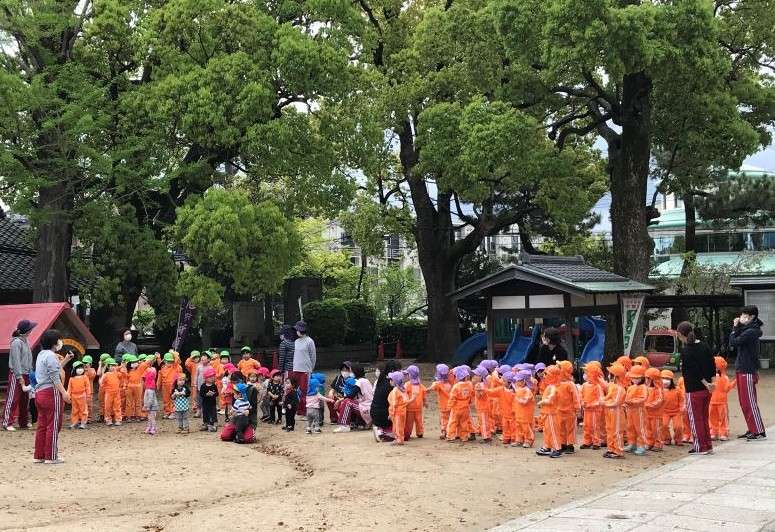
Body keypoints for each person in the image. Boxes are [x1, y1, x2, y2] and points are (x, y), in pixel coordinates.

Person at [677, 320, 716, 455]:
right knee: (704, 417)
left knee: (695, 418)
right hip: (707, 389)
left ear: (680, 334)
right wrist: (712, 383)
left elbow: (694, 370)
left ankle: (700, 446)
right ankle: (707, 444)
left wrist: (705, 382)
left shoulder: (686, 350)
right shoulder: (705, 346)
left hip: (694, 389)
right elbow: (712, 365)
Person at [33, 329, 72, 464]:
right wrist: (64, 392)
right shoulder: (51, 356)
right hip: (50, 393)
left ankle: (39, 455)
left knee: (42, 425)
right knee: (54, 425)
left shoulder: (41, 355)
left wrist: (65, 360)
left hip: (39, 393)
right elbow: (55, 377)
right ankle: (51, 456)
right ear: (55, 342)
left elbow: (51, 372)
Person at [730, 305, 766, 440]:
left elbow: (734, 342)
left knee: (749, 401)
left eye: (745, 315)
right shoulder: (747, 329)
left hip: (748, 369)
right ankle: (752, 428)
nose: (742, 317)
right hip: (742, 367)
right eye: (742, 314)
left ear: (752, 317)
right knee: (744, 401)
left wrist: (734, 327)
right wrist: (738, 327)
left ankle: (758, 431)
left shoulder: (751, 331)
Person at [4, 319, 35, 431]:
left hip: (26, 373)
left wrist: (30, 373)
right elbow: (16, 360)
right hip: (17, 374)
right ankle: (7, 422)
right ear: (27, 330)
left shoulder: (26, 341)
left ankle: (23, 422)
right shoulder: (16, 342)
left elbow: (29, 359)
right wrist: (19, 376)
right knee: (13, 398)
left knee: (24, 399)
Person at [370, 360, 402, 442]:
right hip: (383, 415)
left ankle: (380, 429)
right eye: (399, 370)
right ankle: (382, 433)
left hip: (375, 412)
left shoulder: (381, 379)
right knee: (398, 434)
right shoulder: (391, 384)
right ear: (392, 371)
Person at [536, 365, 562, 458]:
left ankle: (557, 448)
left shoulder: (554, 387)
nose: (545, 376)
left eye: (547, 374)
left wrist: (542, 402)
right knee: (547, 431)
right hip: (547, 413)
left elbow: (551, 399)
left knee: (553, 431)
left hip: (552, 413)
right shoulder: (550, 386)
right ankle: (547, 446)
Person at [602, 363, 627, 459]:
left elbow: (616, 402)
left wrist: (603, 403)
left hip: (616, 412)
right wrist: (603, 400)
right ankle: (611, 449)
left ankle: (618, 451)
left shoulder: (620, 388)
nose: (608, 375)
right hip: (609, 411)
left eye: (610, 374)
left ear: (616, 376)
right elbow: (608, 397)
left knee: (616, 432)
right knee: (609, 430)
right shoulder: (613, 386)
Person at [292, 321, 316, 417]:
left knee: (304, 390)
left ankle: (304, 410)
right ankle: (298, 409)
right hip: (296, 368)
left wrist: (311, 368)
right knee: (296, 390)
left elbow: (313, 356)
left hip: (305, 369)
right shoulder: (296, 341)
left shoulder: (310, 341)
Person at [710, 356, 736, 441]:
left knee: (722, 418)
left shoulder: (724, 377)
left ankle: (723, 433)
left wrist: (735, 382)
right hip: (712, 402)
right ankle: (714, 432)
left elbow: (727, 388)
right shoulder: (712, 377)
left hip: (721, 402)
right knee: (712, 418)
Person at [580, 362, 605, 450]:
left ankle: (596, 442)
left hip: (595, 410)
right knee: (586, 426)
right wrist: (582, 402)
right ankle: (587, 441)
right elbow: (581, 396)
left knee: (595, 426)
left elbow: (601, 399)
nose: (585, 375)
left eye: (587, 373)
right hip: (587, 410)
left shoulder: (597, 386)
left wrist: (592, 404)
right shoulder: (584, 385)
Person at [624, 365, 647, 455]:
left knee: (640, 428)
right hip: (630, 410)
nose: (634, 379)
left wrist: (631, 401)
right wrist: (625, 403)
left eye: (637, 378)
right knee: (630, 427)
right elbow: (626, 397)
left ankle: (642, 445)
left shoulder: (643, 387)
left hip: (639, 410)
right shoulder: (631, 387)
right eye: (633, 377)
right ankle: (632, 443)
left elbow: (643, 398)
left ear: (642, 378)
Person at [446, 366, 474, 443]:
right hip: (465, 408)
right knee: (464, 423)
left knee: (453, 422)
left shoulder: (456, 386)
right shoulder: (470, 385)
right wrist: (469, 402)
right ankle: (464, 436)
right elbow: (471, 395)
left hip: (456, 408)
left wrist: (449, 406)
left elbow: (452, 397)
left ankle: (450, 436)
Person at [427, 364, 452, 440]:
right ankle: (452, 431)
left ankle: (444, 432)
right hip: (451, 404)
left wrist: (425, 390)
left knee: (444, 419)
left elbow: (430, 389)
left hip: (443, 405)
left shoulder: (437, 383)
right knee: (451, 418)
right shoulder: (451, 383)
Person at [660, 370, 684, 446]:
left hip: (676, 411)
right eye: (663, 378)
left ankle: (678, 439)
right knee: (664, 425)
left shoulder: (677, 390)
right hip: (664, 412)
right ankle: (667, 439)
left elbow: (681, 400)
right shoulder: (659, 390)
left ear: (671, 380)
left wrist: (681, 407)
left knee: (678, 426)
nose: (665, 381)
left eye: (667, 379)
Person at [513, 370, 536, 448]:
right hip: (519, 412)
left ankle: (529, 440)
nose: (516, 382)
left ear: (524, 381)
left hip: (526, 414)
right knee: (518, 426)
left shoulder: (527, 390)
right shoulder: (520, 389)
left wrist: (517, 398)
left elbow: (525, 401)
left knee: (526, 427)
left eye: (518, 380)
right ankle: (519, 439)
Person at [644, 367, 665, 452]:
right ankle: (650, 443)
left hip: (656, 414)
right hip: (647, 413)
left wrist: (648, 405)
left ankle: (658, 444)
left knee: (656, 430)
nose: (646, 380)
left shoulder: (659, 389)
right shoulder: (646, 388)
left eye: (648, 378)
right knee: (648, 429)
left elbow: (659, 400)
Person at [403, 365, 426, 440]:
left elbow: (404, 394)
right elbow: (424, 393)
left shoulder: (407, 385)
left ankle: (407, 434)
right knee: (419, 420)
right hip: (419, 406)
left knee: (409, 422)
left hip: (410, 407)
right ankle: (420, 433)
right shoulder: (420, 385)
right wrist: (425, 402)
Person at [387, 371, 409, 445]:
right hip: (403, 411)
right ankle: (400, 438)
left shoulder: (395, 390)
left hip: (396, 412)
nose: (390, 381)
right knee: (401, 426)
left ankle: (398, 439)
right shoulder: (403, 389)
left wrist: (391, 414)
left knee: (397, 426)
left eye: (391, 380)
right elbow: (406, 400)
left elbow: (394, 403)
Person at [67, 361, 89, 430]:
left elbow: (87, 387)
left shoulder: (85, 377)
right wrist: (68, 396)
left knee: (83, 410)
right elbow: (69, 388)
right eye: (78, 368)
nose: (80, 369)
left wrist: (88, 396)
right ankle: (74, 422)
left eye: (81, 367)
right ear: (74, 369)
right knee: (74, 410)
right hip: (74, 396)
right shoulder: (71, 379)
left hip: (82, 396)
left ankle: (83, 422)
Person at [142, 358, 159, 435]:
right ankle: (149, 427)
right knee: (149, 418)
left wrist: (147, 406)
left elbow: (150, 399)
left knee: (152, 418)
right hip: (149, 406)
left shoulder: (150, 389)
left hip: (152, 406)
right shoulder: (147, 389)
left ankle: (153, 428)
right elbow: (145, 398)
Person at [200, 367, 219, 432]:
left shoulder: (214, 385)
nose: (212, 378)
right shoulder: (203, 386)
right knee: (205, 414)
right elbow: (201, 394)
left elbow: (217, 394)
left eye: (213, 376)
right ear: (206, 378)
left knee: (213, 414)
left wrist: (213, 394)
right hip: (205, 404)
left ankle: (213, 425)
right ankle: (205, 424)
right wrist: (206, 394)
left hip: (212, 404)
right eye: (210, 377)